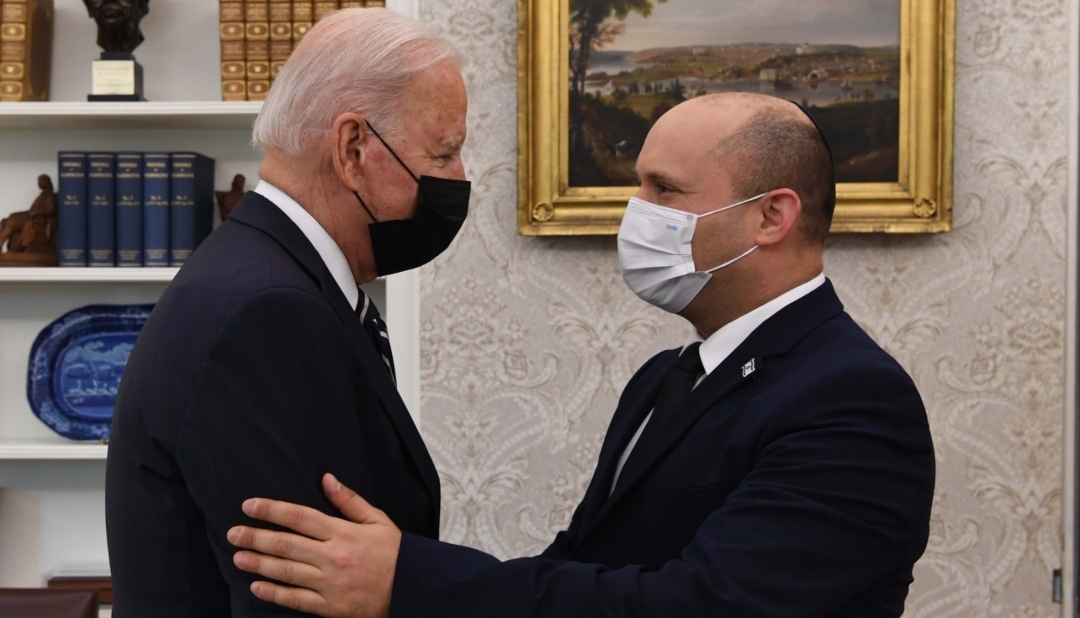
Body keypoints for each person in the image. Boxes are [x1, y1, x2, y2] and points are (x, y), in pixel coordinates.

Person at [225, 92, 936, 618]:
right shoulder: (666, 379)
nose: (638, 214)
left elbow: (704, 606)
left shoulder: (852, 400)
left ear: (772, 215)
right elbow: (583, 566)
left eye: (666, 191)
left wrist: (409, 579)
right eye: (639, 186)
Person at [105, 8, 470, 617]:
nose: (459, 178)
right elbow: (305, 600)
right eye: (445, 152)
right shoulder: (269, 313)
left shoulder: (271, 275)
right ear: (353, 148)